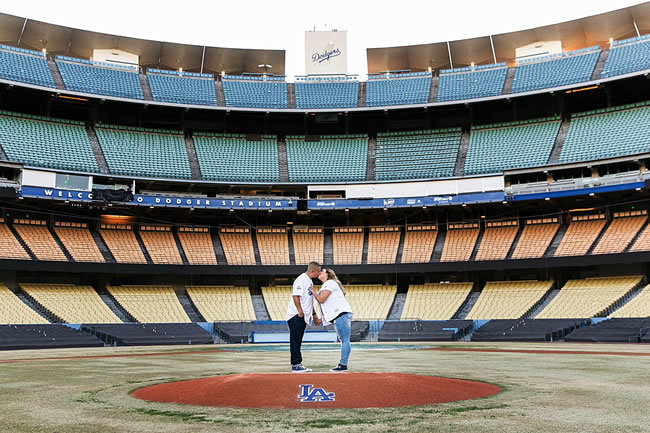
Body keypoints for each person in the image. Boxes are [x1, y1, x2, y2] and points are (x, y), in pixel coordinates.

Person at [311, 268, 353, 372]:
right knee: (344, 340)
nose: (320, 272)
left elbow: (321, 299)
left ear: (328, 275)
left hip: (341, 315)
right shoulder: (329, 284)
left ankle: (343, 365)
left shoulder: (329, 282)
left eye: (322, 271)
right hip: (341, 315)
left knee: (344, 340)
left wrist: (313, 291)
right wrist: (320, 320)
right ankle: (343, 364)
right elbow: (328, 305)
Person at [286, 261, 321, 372]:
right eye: (318, 271)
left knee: (298, 339)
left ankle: (297, 363)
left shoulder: (309, 281)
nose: (319, 273)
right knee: (295, 339)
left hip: (303, 315)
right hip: (296, 315)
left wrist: (314, 315)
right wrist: (299, 310)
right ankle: (296, 364)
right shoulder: (301, 279)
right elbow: (296, 295)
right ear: (312, 271)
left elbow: (308, 301)